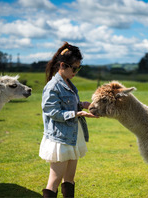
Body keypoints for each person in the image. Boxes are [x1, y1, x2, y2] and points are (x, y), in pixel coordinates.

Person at [39, 42, 98, 198]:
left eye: (78, 68)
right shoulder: (52, 86)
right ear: (63, 65)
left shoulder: (69, 84)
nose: (76, 72)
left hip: (73, 136)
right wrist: (77, 114)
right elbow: (52, 112)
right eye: (74, 68)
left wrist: (82, 105)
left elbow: (67, 105)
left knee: (69, 180)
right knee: (54, 181)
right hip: (60, 139)